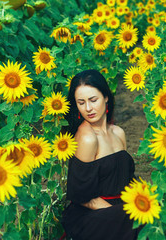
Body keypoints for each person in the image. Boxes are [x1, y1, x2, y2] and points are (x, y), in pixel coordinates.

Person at [61, 69, 141, 240]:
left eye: (93, 100)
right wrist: (122, 212)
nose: (88, 108)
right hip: (90, 216)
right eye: (81, 103)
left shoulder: (118, 133)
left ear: (105, 97)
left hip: (119, 209)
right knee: (135, 218)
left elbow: (127, 180)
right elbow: (81, 197)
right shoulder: (87, 138)